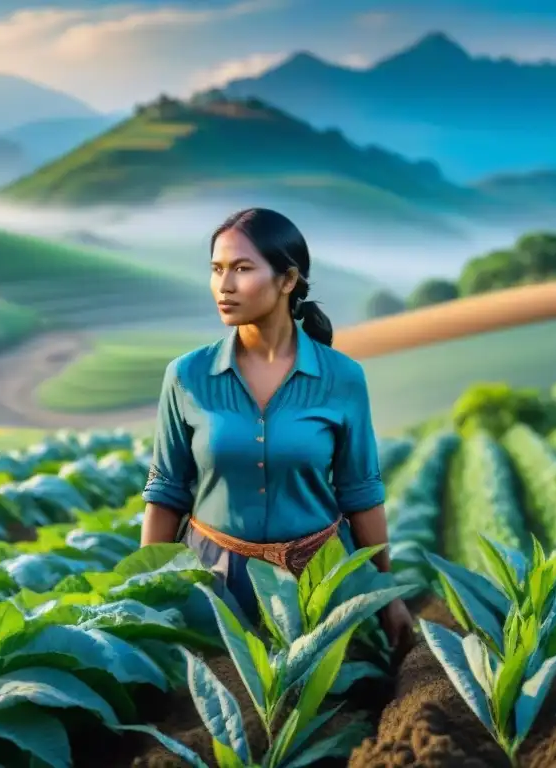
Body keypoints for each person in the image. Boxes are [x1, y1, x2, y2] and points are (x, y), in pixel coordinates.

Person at [140, 207, 415, 660]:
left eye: (242, 269)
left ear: (288, 280)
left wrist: (385, 594)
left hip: (320, 587)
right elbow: (166, 491)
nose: (224, 286)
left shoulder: (342, 377)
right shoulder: (187, 375)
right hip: (215, 588)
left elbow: (361, 492)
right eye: (216, 269)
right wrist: (145, 593)